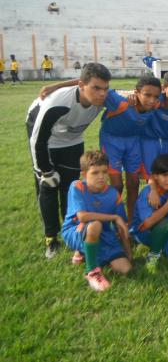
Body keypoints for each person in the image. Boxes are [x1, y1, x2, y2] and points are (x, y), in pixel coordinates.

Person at [26, 63, 111, 258]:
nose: (101, 94)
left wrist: (57, 84)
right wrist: (45, 171)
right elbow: (37, 140)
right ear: (82, 85)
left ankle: (71, 230)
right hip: (45, 139)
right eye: (96, 88)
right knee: (48, 185)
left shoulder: (104, 98)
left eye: (105, 89)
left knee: (71, 186)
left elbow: (137, 94)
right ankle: (51, 237)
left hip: (72, 140)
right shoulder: (56, 104)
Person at [61, 151, 132, 292]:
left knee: (125, 269)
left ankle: (84, 253)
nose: (101, 177)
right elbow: (82, 217)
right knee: (95, 225)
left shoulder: (113, 194)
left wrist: (129, 255)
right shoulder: (77, 187)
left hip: (104, 233)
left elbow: (121, 227)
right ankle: (92, 272)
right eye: (95, 173)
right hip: (76, 230)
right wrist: (113, 217)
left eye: (104, 172)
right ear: (84, 174)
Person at [100, 75, 162, 221]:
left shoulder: (155, 105)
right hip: (111, 142)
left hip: (133, 142)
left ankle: (131, 221)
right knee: (117, 186)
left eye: (156, 96)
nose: (152, 100)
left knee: (133, 183)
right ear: (137, 92)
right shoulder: (121, 102)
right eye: (147, 95)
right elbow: (96, 84)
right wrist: (55, 87)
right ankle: (114, 220)